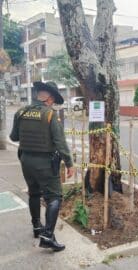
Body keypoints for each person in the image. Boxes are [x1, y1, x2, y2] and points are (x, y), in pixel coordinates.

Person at [10, 81, 74, 252]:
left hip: (26, 161)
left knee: (34, 193)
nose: (53, 103)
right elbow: (60, 143)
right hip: (45, 163)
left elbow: (14, 137)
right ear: (50, 98)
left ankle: (37, 227)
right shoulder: (50, 115)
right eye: (54, 100)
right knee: (55, 197)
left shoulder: (21, 112)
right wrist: (69, 164)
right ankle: (47, 236)